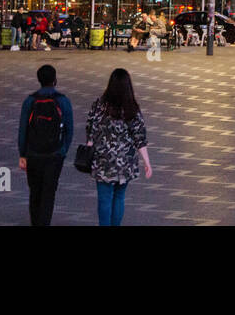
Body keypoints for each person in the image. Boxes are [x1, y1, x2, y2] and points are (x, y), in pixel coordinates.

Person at [86, 68, 151, 227]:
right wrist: (147, 162)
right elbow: (139, 137)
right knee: (119, 197)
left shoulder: (99, 105)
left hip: (103, 161)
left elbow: (91, 129)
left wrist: (89, 148)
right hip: (125, 162)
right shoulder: (131, 108)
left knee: (104, 198)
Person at [17, 64, 74, 226]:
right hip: (55, 154)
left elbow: (23, 129)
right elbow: (69, 130)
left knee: (35, 192)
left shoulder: (30, 101)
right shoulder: (63, 101)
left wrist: (22, 154)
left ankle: (35, 222)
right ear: (55, 80)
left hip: (33, 153)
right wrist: (63, 150)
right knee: (49, 193)